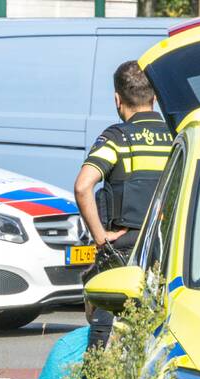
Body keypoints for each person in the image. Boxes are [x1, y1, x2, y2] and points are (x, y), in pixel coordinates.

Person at [74, 60, 173, 263]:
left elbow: (83, 187)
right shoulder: (178, 136)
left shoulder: (116, 138)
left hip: (127, 249)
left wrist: (100, 238)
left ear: (117, 99)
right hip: (172, 246)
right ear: (154, 97)